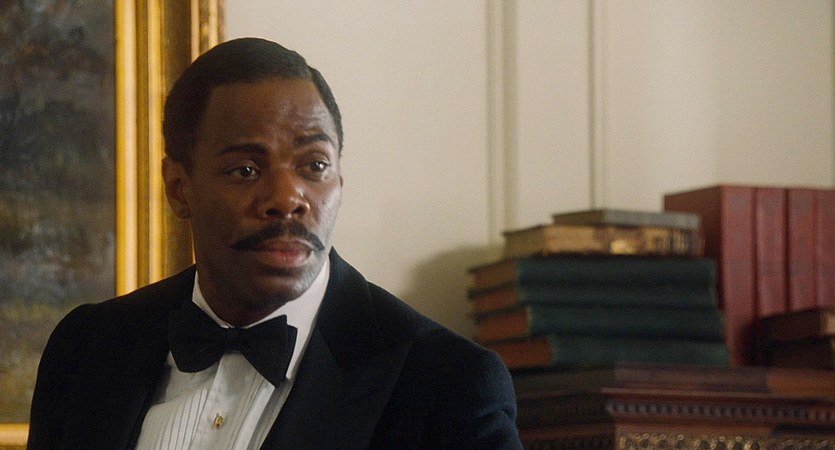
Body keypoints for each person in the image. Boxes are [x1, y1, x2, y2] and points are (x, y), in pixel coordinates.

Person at [27, 37, 523, 449]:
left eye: (314, 166)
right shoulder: (87, 349)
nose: (287, 199)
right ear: (179, 188)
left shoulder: (448, 383)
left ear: (339, 178)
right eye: (245, 170)